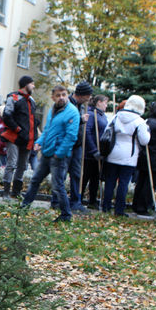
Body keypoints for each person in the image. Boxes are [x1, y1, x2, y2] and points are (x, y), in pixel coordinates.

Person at [21, 85, 79, 221]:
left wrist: (59, 153)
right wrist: (39, 142)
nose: (61, 98)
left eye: (64, 94)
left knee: (58, 186)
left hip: (59, 156)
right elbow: (47, 130)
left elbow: (71, 137)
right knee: (35, 181)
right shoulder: (52, 110)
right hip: (47, 153)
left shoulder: (72, 112)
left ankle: (66, 215)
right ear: (53, 97)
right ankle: (23, 208)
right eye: (58, 95)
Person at [101, 95, 151, 217]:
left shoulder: (116, 116)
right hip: (129, 155)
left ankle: (106, 207)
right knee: (123, 183)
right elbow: (144, 141)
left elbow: (106, 132)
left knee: (110, 182)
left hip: (113, 152)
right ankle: (119, 210)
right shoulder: (140, 121)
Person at [0, 75, 38, 198]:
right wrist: (17, 129)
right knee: (11, 164)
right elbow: (7, 115)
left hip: (27, 139)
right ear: (26, 84)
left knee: (22, 166)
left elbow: (33, 122)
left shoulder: (32, 101)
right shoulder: (13, 98)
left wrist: (35, 139)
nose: (34, 86)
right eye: (32, 83)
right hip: (14, 137)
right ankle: (5, 193)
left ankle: (16, 192)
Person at [133, 101, 156, 216]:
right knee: (149, 183)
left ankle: (137, 205)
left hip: (144, 155)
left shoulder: (147, 121)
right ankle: (143, 207)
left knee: (141, 181)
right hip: (154, 156)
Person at [68, 81, 93, 212]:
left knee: (77, 173)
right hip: (67, 144)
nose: (89, 98)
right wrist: (80, 120)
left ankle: (75, 201)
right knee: (60, 173)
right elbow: (66, 121)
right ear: (82, 95)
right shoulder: (67, 103)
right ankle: (56, 201)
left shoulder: (81, 106)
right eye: (88, 95)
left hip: (77, 145)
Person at [82, 94, 108, 209]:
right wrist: (93, 150)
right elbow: (87, 132)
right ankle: (78, 199)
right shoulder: (92, 115)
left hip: (99, 154)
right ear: (99, 102)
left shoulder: (103, 116)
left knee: (95, 179)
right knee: (85, 178)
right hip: (90, 154)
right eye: (105, 103)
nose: (106, 105)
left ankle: (92, 201)